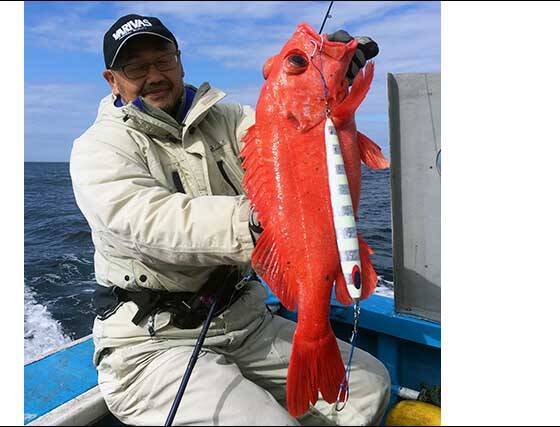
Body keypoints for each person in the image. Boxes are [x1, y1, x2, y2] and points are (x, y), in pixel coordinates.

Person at [70, 13, 390, 426]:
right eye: (136, 68)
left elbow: (290, 132)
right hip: (152, 344)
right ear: (112, 80)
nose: (155, 75)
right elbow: (145, 221)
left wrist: (329, 79)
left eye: (163, 60)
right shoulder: (98, 147)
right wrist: (262, 220)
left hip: (244, 320)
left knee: (369, 387)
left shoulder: (232, 118)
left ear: (180, 61)